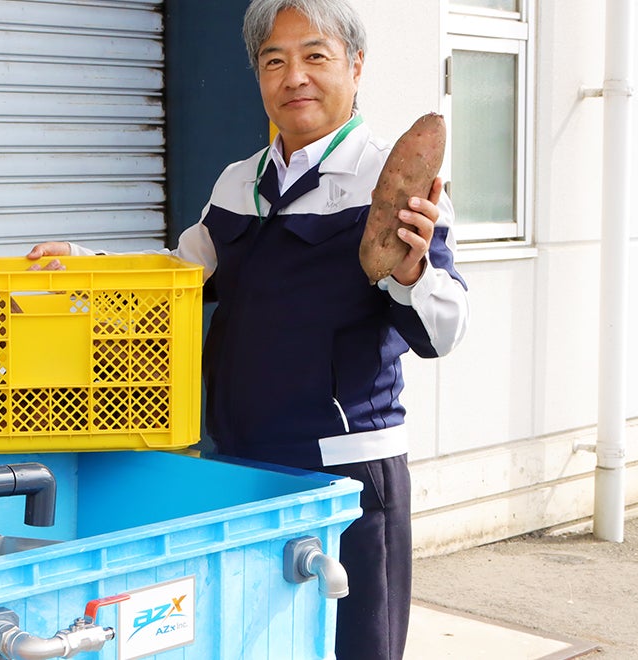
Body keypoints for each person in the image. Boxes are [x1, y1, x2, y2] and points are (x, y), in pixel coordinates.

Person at [26, 0, 469, 658]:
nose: (295, 77)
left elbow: (446, 331)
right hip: (238, 467)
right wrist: (84, 268)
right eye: (274, 61)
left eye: (315, 56)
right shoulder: (239, 184)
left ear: (355, 65)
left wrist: (409, 273)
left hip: (342, 477)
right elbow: (177, 280)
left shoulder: (394, 186)